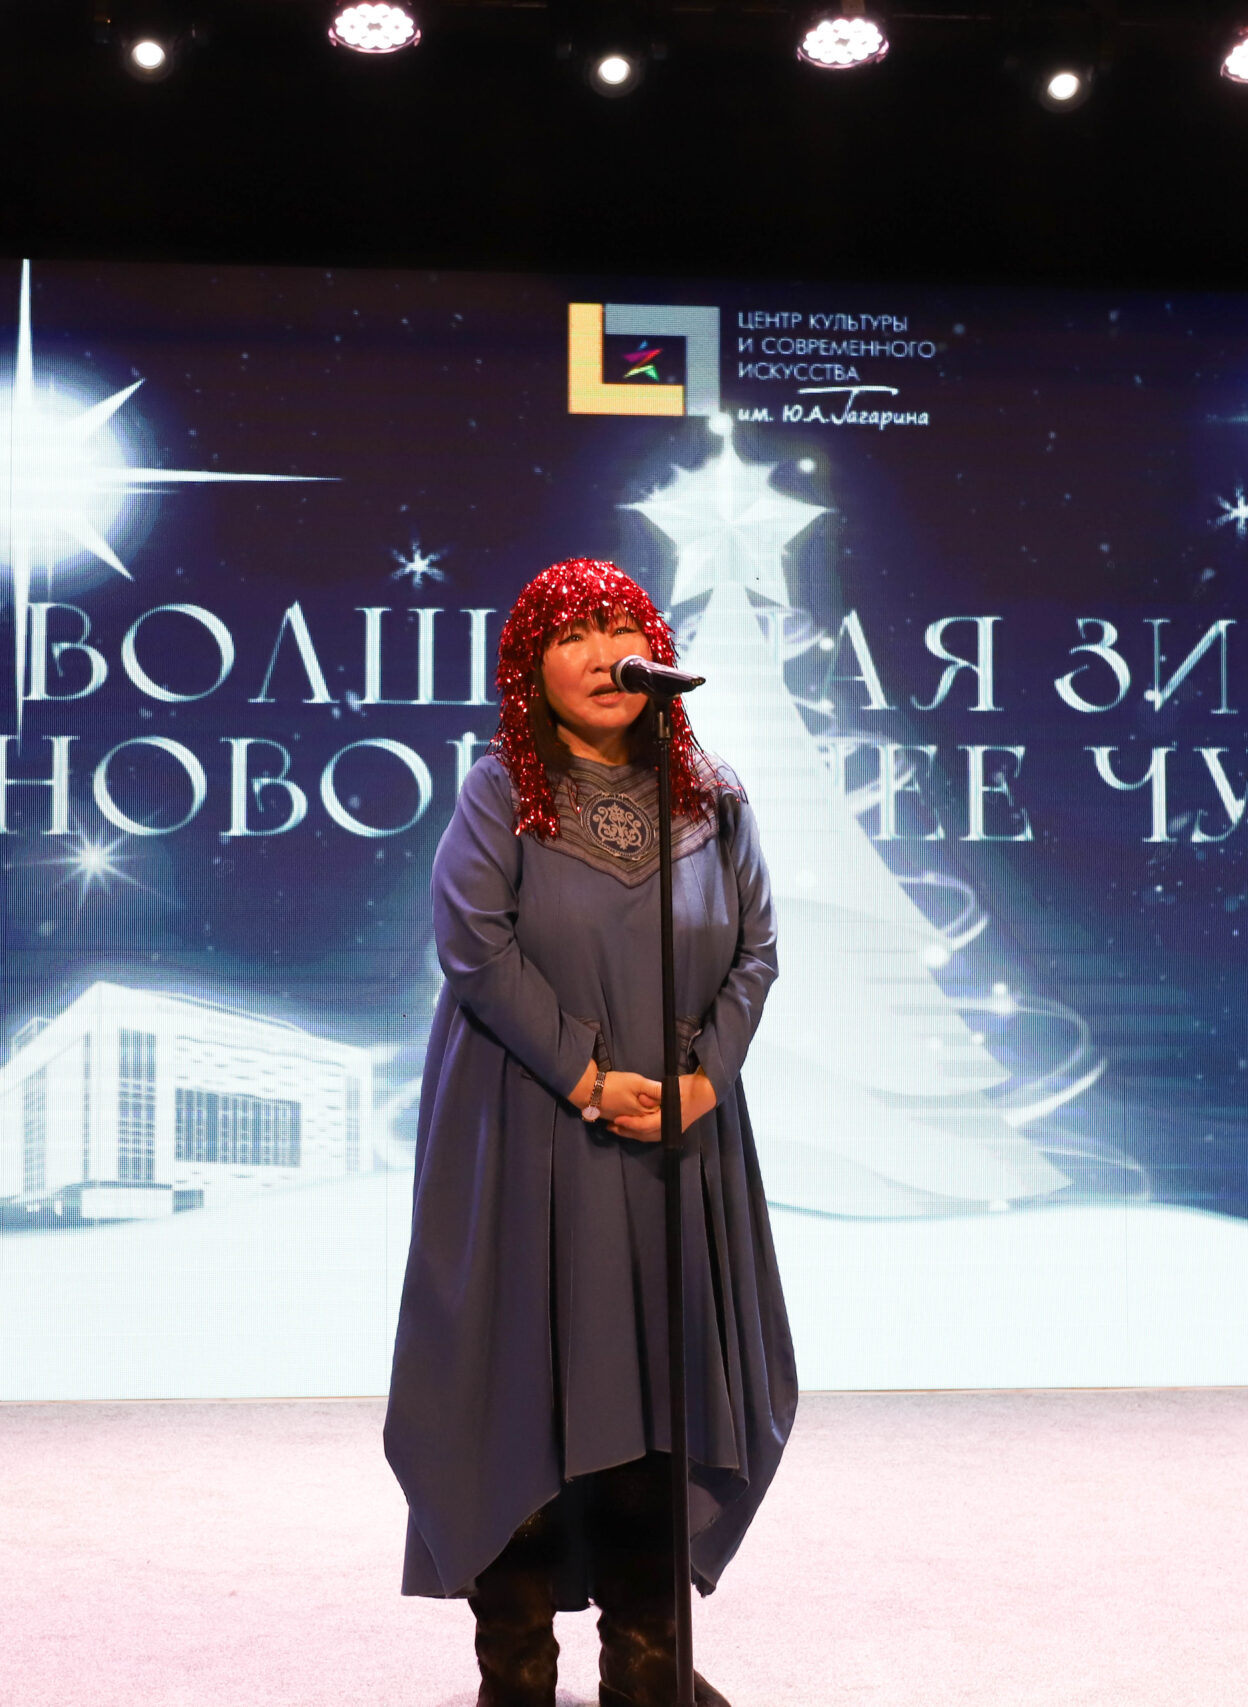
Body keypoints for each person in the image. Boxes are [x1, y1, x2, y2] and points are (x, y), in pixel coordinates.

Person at [384, 558, 797, 1707]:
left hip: (679, 1140)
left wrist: (704, 1079)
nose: (605, 653)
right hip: (530, 1129)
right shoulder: (497, 794)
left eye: (623, 628)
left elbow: (757, 950)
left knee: (666, 1391)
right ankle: (515, 1674)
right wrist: (585, 1075)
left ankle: (647, 1667)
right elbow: (474, 948)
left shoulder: (714, 800)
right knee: (524, 1382)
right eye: (573, 634)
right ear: (530, 668)